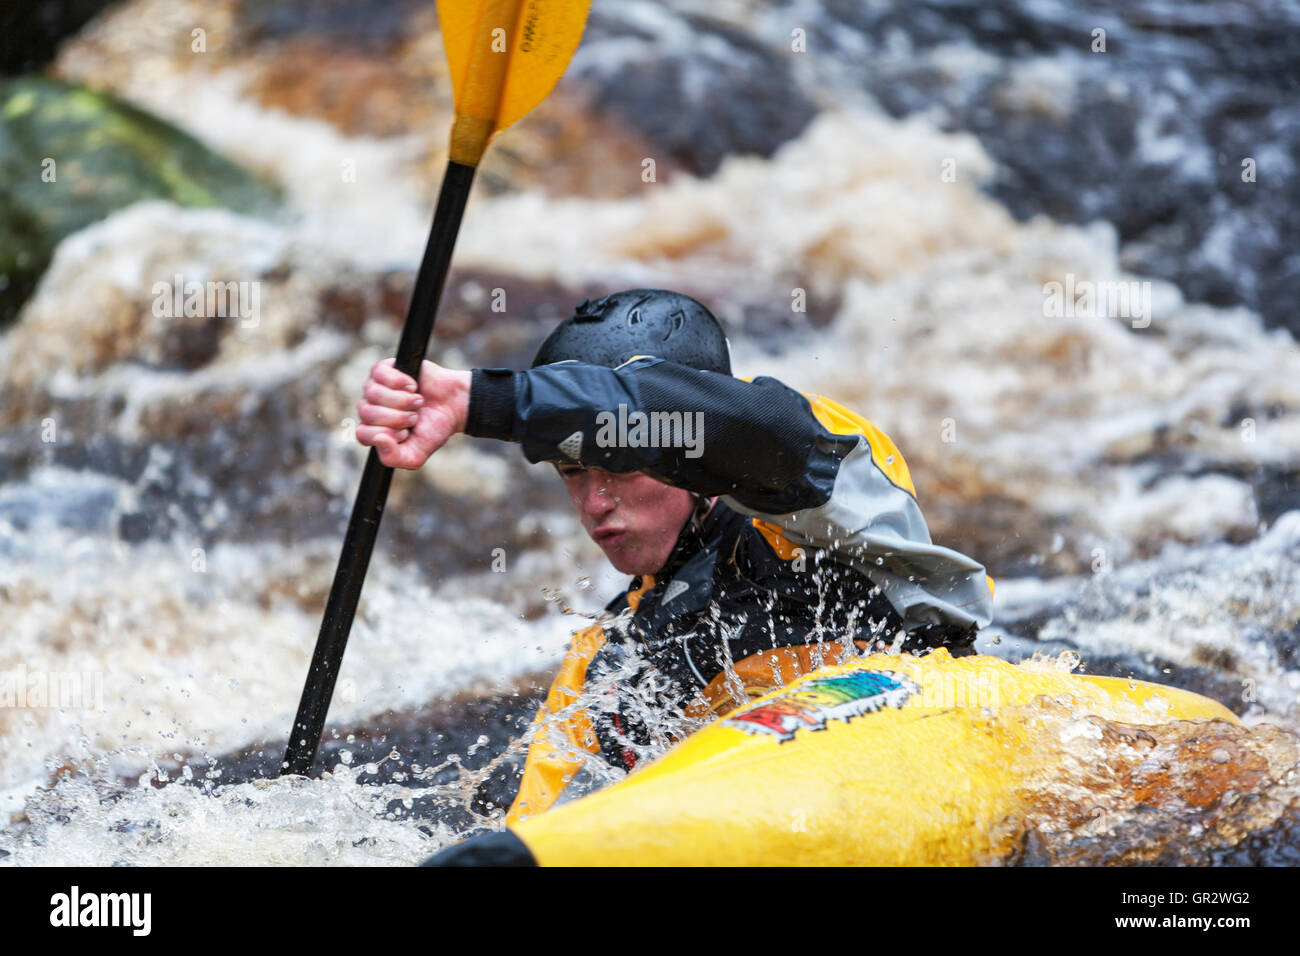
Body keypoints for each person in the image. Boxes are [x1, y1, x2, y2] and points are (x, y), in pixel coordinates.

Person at [355, 289, 994, 823]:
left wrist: (483, 402)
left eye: (620, 465)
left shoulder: (815, 482)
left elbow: (725, 424)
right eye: (573, 473)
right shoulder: (612, 655)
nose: (595, 502)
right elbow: (553, 827)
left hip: (944, 733)